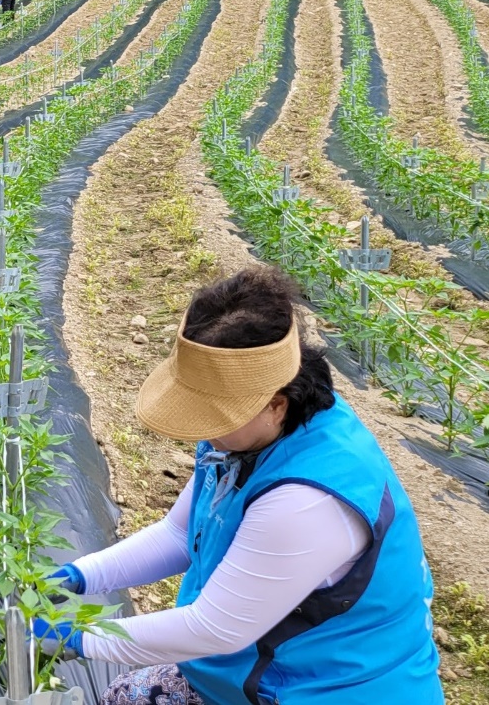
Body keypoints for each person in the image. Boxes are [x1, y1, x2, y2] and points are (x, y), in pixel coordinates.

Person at [33, 267, 444, 705]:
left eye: (213, 415)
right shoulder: (249, 437)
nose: (201, 430)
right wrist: (78, 576)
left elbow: (215, 628)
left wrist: (78, 637)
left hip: (319, 690)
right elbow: (179, 533)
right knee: (123, 694)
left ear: (275, 404)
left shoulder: (306, 501)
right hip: (252, 669)